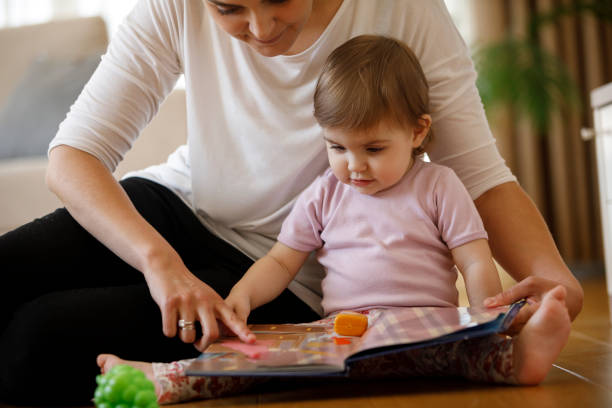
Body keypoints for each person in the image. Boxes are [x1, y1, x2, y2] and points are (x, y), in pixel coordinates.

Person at [0, 1, 582, 405]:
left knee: (32, 349)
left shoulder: (406, 9)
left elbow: (479, 175)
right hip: (170, 209)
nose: (259, 28)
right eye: (228, 8)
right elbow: (73, 156)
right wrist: (159, 263)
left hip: (287, 283)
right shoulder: (173, 4)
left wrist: (552, 279)